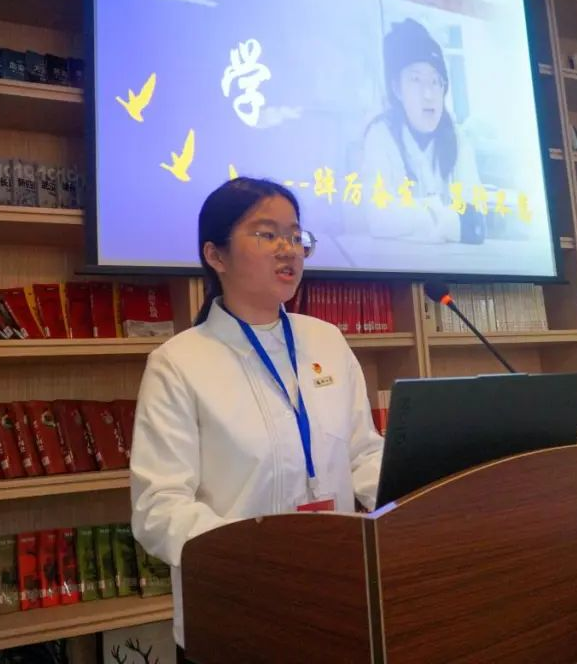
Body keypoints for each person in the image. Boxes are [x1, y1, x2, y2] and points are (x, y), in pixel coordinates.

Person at [130, 177, 385, 660]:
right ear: (215, 255)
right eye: (267, 234)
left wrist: (410, 503)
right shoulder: (179, 362)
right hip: (235, 609)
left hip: (335, 594)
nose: (288, 249)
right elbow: (159, 506)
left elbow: (362, 454)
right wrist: (254, 556)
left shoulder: (327, 340)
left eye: (295, 235)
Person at [358, 17, 485, 244]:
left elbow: (476, 222)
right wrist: (444, 218)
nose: (428, 94)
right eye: (416, 80)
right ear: (397, 88)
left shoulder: (458, 139)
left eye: (436, 82)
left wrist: (420, 217)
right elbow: (379, 217)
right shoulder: (380, 135)